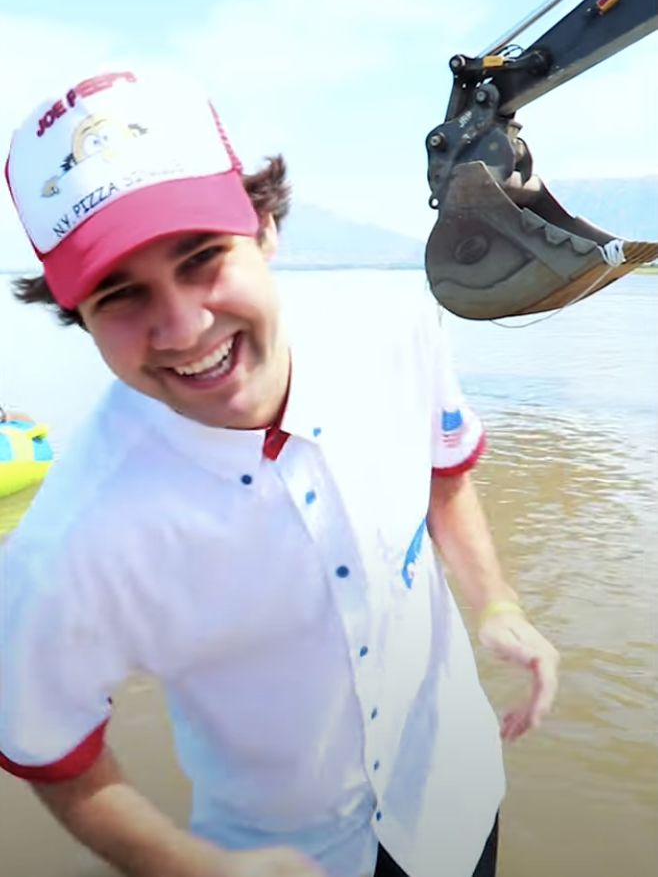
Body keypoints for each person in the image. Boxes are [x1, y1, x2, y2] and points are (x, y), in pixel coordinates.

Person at [0, 64, 559, 877]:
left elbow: (444, 477)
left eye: (200, 257)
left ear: (264, 229)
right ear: (76, 318)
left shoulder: (395, 330)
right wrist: (194, 867)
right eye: (121, 294)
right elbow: (54, 754)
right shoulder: (65, 546)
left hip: (455, 798)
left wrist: (497, 603)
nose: (185, 327)